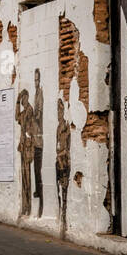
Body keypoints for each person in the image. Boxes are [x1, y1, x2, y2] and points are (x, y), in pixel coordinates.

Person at [55, 98, 71, 236]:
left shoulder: (66, 127)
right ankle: (60, 215)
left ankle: (64, 217)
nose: (58, 113)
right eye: (57, 111)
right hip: (58, 161)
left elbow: (67, 148)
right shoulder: (58, 127)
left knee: (64, 191)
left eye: (60, 110)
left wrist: (61, 155)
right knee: (58, 191)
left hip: (64, 162)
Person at [16, 89, 33, 219]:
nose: (22, 101)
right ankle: (24, 206)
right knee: (24, 177)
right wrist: (16, 100)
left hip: (28, 147)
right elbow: (17, 117)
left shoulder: (29, 110)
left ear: (27, 98)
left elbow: (24, 120)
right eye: (21, 99)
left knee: (27, 177)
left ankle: (28, 207)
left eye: (23, 98)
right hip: (22, 146)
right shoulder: (23, 111)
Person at [31, 69, 45, 219]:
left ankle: (40, 192)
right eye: (34, 80)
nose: (35, 82)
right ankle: (37, 189)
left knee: (38, 169)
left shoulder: (39, 94)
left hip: (39, 138)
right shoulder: (36, 94)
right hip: (35, 137)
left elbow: (39, 113)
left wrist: (33, 116)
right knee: (35, 168)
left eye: (37, 80)